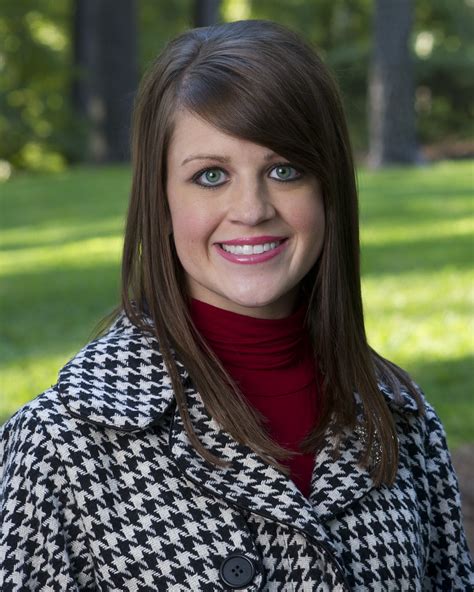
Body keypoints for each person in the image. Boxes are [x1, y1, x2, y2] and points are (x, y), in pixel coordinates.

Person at [1, 19, 472, 591]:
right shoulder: (61, 444)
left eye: (284, 170)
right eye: (211, 175)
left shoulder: (398, 419)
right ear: (161, 198)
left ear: (328, 190)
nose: (251, 209)